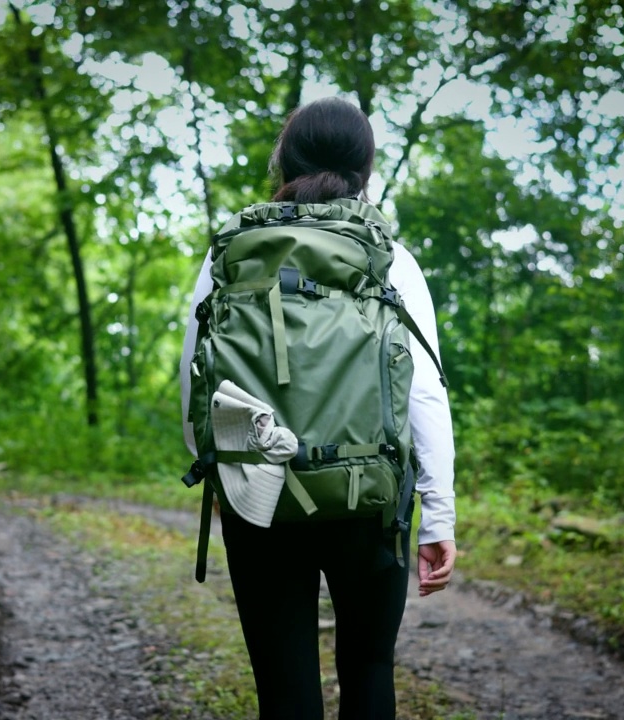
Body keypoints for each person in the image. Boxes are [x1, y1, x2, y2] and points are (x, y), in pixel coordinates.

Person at [178, 96, 457, 720]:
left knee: (283, 687)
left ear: (284, 160)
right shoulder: (389, 256)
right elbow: (424, 391)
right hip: (371, 497)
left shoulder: (232, 252)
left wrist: (217, 466)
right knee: (368, 669)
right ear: (366, 168)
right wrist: (439, 515)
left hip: (259, 488)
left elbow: (196, 372)